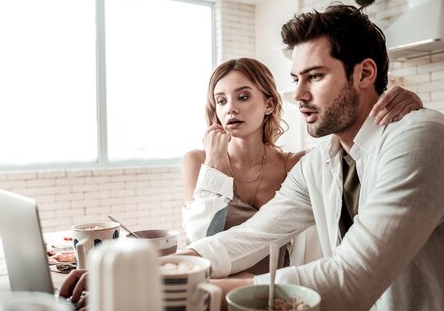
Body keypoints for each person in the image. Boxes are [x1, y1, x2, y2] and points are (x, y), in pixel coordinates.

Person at [182, 4, 444, 311]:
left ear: (365, 73)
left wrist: (200, 295)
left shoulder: (421, 138)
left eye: (316, 76)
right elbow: (253, 236)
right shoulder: (319, 163)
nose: (299, 94)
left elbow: (349, 281)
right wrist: (177, 265)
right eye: (296, 79)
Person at [181, 57, 423, 273]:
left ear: (269, 104)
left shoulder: (297, 165)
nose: (230, 108)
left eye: (243, 97)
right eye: (221, 101)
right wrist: (214, 166)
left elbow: (354, 147)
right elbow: (200, 238)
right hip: (218, 285)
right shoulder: (200, 161)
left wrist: (399, 108)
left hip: (283, 291)